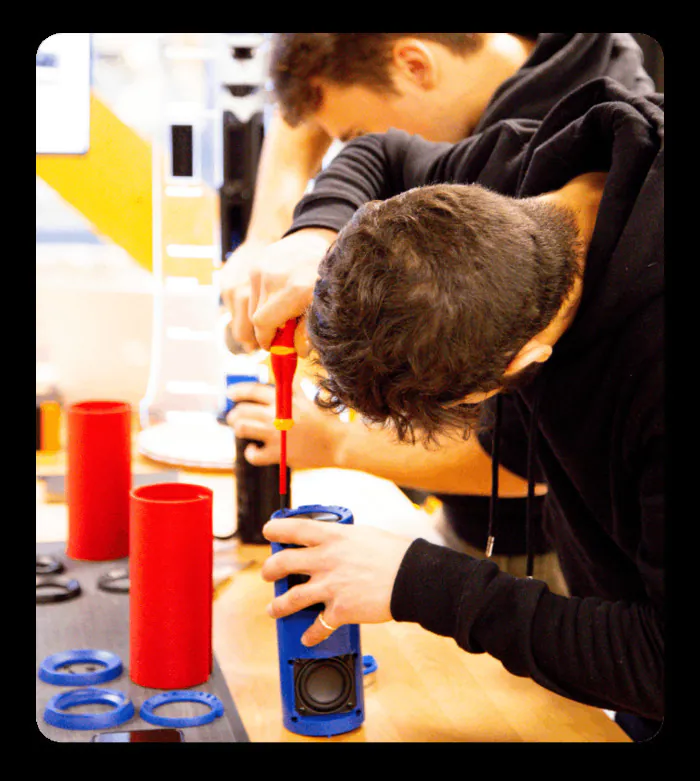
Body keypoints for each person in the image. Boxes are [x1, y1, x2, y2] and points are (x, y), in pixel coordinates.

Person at [256, 77, 664, 741]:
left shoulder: (651, 372)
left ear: (519, 363)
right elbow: (380, 153)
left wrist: (417, 581)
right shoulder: (508, 181)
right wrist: (313, 232)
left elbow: (656, 658)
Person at [225, 33, 656, 594]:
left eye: (347, 131)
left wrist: (341, 446)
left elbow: (523, 461)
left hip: (562, 578)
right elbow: (380, 150)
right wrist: (309, 234)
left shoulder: (637, 359)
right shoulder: (522, 160)